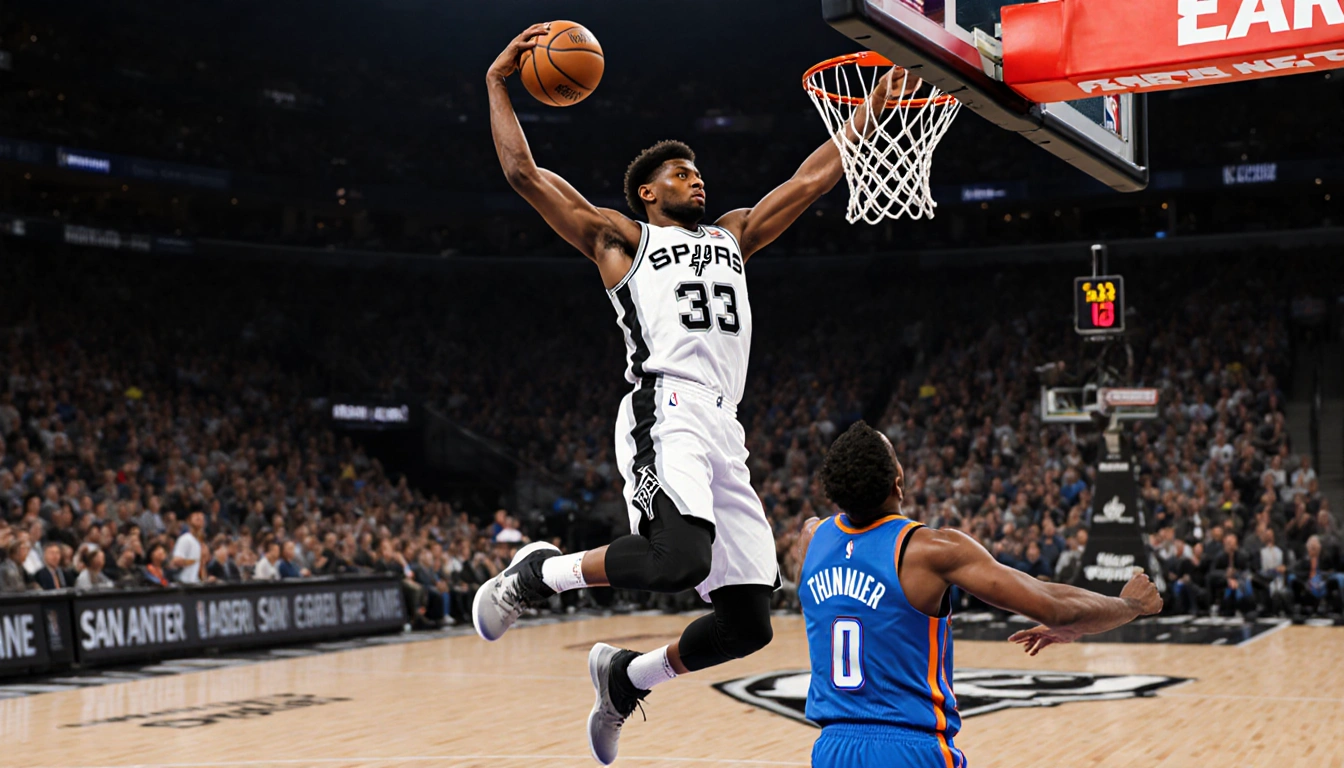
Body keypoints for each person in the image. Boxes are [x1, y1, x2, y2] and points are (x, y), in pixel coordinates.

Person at [472, 24, 918, 764]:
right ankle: (537, 574)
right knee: (677, 556)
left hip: (723, 423)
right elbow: (525, 176)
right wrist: (496, 84)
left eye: (697, 171)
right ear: (647, 193)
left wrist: (868, 108)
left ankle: (626, 679)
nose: (695, 179)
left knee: (748, 621)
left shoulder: (734, 235)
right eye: (679, 173)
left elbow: (812, 178)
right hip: (665, 407)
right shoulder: (621, 239)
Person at [794, 422, 1161, 768]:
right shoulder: (932, 551)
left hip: (831, 749)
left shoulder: (811, 539)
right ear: (898, 481)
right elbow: (1056, 607)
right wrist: (1132, 605)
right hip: (909, 747)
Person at [171, 510, 205, 584]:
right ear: (189, 521)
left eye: (201, 517)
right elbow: (176, 561)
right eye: (196, 515)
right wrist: (194, 560)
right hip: (185, 583)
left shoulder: (201, 542)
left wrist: (204, 580)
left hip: (196, 582)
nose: (199, 516)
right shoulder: (185, 539)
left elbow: (201, 566)